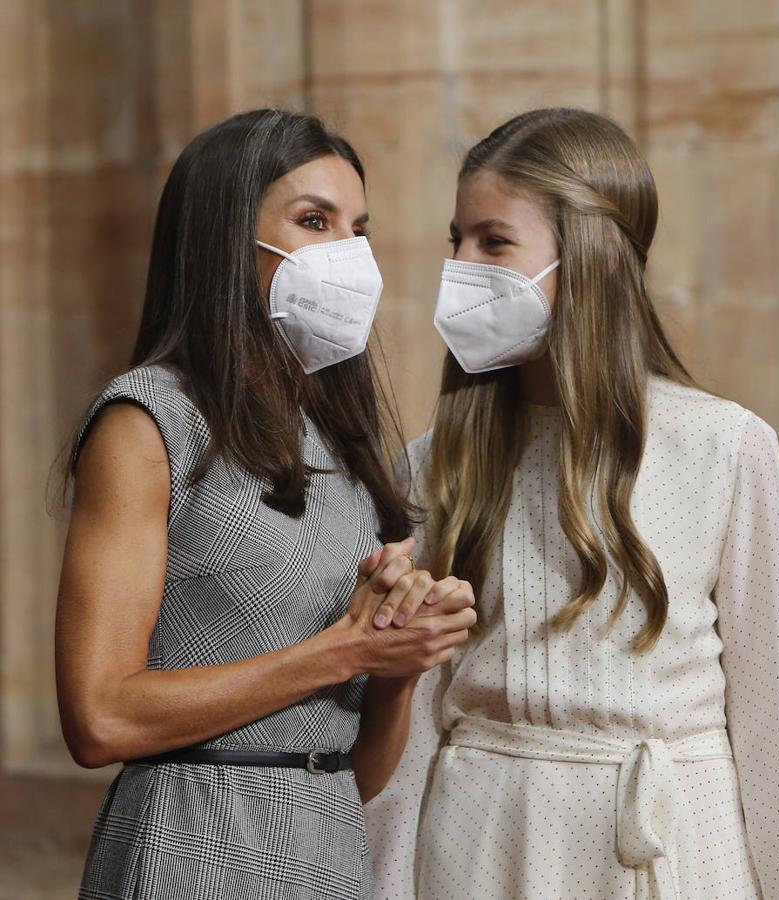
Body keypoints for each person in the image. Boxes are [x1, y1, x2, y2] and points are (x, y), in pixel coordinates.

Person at [366, 108, 779, 899]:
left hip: (668, 840)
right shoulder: (435, 463)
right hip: (479, 844)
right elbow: (411, 718)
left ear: (589, 259)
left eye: (494, 241)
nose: (460, 264)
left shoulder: (724, 447)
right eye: (455, 238)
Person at [55, 108, 476, 900]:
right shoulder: (147, 420)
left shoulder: (347, 448)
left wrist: (400, 657)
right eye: (314, 221)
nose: (348, 253)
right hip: (188, 843)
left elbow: (361, 772)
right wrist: (345, 651)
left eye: (357, 229)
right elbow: (99, 719)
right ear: (224, 239)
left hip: (327, 846)